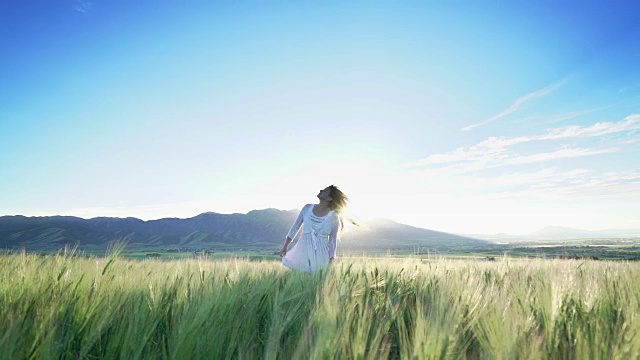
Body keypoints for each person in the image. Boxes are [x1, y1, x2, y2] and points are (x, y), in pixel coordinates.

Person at [279, 185, 349, 273]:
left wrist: (331, 261)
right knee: (300, 278)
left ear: (330, 198)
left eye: (325, 191)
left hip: (321, 254)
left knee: (317, 281)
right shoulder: (307, 208)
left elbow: (332, 241)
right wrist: (285, 246)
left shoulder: (333, 217)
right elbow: (295, 228)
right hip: (303, 250)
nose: (321, 190)